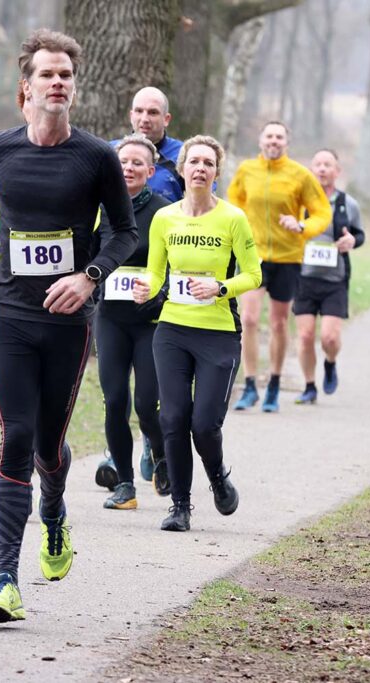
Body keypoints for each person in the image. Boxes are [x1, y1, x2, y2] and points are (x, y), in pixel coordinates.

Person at [0, 29, 138, 623]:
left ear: (73, 89)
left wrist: (89, 276)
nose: (57, 83)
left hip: (68, 325)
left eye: (65, 75)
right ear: (25, 89)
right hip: (12, 318)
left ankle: (54, 513)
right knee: (15, 437)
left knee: (50, 448)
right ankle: (5, 577)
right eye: (47, 75)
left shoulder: (96, 157)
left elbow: (124, 230)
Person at [133, 135, 261, 532]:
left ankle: (218, 477)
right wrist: (146, 288)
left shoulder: (233, 219)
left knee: (204, 424)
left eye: (208, 163)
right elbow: (156, 272)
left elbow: (254, 274)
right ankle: (180, 506)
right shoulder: (165, 218)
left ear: (217, 173)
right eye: (194, 162)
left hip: (218, 333)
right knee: (172, 417)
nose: (200, 168)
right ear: (182, 169)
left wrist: (221, 288)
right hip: (172, 329)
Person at [227, 121, 331, 413]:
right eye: (269, 135)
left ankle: (272, 384)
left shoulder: (300, 175)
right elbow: (234, 203)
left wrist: (301, 225)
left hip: (288, 258)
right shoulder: (247, 170)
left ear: (287, 142)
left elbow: (322, 212)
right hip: (254, 256)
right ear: (261, 140)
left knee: (277, 323)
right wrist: (240, 228)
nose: (274, 140)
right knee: (247, 318)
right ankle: (249, 386)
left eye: (279, 136)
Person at [93, 134, 172, 510]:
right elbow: (86, 255)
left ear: (151, 171)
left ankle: (160, 455)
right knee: (115, 401)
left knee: (145, 403)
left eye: (138, 163)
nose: (129, 168)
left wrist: (158, 291)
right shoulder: (99, 209)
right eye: (123, 161)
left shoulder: (164, 211)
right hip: (110, 318)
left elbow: (177, 264)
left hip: (150, 320)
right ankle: (125, 485)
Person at [293, 149, 366, 404]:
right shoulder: (300, 203)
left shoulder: (348, 204)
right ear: (311, 169)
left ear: (337, 171)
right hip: (303, 278)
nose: (322, 169)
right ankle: (310, 386)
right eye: (318, 164)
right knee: (304, 336)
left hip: (335, 281)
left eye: (328, 165)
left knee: (329, 338)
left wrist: (351, 240)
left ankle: (330, 362)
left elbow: (359, 235)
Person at [111, 86, 184, 203]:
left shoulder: (184, 155)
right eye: (139, 111)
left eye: (153, 113)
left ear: (166, 119)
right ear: (131, 116)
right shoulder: (109, 151)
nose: (144, 119)